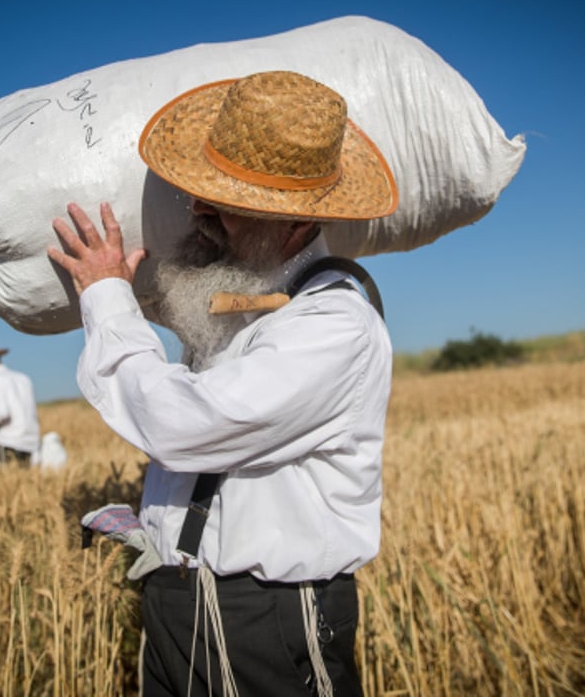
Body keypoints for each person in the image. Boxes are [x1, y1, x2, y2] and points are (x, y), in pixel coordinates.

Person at [49, 70, 398, 696]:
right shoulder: (241, 298)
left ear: (293, 222)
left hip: (265, 622)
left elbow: (182, 428)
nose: (199, 210)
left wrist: (107, 301)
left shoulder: (334, 328)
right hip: (178, 605)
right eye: (199, 191)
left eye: (226, 202)